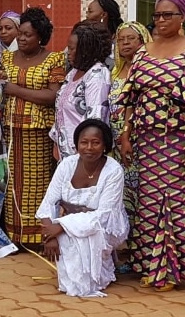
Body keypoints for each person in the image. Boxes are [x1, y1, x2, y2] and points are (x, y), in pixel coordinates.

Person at [118, 0, 185, 291]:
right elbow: (132, 98)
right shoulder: (143, 52)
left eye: (167, 15)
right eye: (157, 15)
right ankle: (151, 266)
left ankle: (173, 270)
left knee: (175, 202)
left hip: (178, 140)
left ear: (183, 17)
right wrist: (126, 135)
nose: (160, 20)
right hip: (146, 140)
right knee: (148, 203)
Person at [0, 7, 66, 245]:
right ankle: (14, 235)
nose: (22, 39)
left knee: (37, 185)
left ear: (40, 37)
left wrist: (15, 90)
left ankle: (38, 235)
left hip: (38, 133)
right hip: (10, 130)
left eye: (28, 35)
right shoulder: (7, 58)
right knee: (12, 183)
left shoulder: (54, 59)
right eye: (20, 34)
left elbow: (53, 96)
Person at [37, 119, 128, 297]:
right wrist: (50, 236)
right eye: (84, 142)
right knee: (69, 242)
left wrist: (61, 227)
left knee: (82, 239)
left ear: (105, 145)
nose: (89, 147)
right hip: (69, 224)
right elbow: (48, 203)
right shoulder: (67, 165)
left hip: (104, 227)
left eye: (95, 143)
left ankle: (100, 271)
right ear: (77, 144)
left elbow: (104, 215)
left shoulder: (113, 170)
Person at [108, 21, 152, 259]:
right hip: (114, 145)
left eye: (131, 39)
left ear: (143, 41)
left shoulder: (146, 71)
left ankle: (141, 250)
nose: (125, 44)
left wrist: (127, 136)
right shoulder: (115, 72)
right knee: (122, 195)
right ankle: (125, 249)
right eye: (121, 39)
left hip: (137, 142)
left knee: (140, 195)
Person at [51, 20, 112, 160]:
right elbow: (60, 109)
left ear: (85, 50)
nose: (68, 53)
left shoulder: (97, 75)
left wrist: (83, 152)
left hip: (84, 154)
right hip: (65, 151)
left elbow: (96, 117)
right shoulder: (73, 72)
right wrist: (56, 141)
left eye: (72, 49)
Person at [84, 0, 124, 71]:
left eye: (90, 11)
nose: (87, 15)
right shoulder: (86, 36)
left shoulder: (121, 39)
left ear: (104, 15)